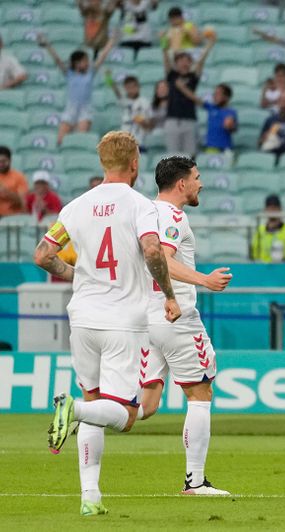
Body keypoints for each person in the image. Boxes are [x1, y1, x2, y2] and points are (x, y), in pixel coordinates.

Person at [36, 131, 180, 516]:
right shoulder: (140, 205)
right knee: (125, 415)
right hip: (123, 321)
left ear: (103, 163)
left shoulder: (75, 207)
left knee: (94, 401)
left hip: (82, 317)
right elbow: (152, 249)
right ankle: (72, 410)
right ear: (135, 163)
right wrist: (168, 294)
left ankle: (90, 497)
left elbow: (43, 255)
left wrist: (78, 275)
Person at [136, 155, 232, 495]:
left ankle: (82, 411)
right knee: (200, 394)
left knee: (144, 406)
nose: (200, 183)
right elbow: (162, 257)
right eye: (197, 177)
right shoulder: (174, 216)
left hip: (145, 320)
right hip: (176, 318)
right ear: (181, 184)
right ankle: (195, 481)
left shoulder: (144, 212)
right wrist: (204, 280)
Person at [41, 34, 116, 146]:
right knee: (60, 141)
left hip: (85, 111)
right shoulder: (69, 74)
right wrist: (47, 45)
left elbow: (102, 56)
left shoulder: (90, 74)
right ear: (77, 63)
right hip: (70, 110)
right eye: (85, 61)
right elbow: (57, 60)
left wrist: (111, 41)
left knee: (79, 141)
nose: (88, 63)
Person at [162, 35, 216, 155]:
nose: (184, 63)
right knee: (173, 157)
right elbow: (166, 59)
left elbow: (201, 61)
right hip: (172, 120)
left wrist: (209, 45)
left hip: (189, 120)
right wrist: (164, 44)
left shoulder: (192, 77)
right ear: (176, 63)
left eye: (187, 60)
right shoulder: (172, 75)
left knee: (189, 156)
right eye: (181, 60)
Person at [175, 83, 238, 153]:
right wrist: (182, 88)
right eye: (214, 94)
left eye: (218, 94)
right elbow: (195, 98)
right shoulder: (211, 107)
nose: (214, 96)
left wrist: (230, 126)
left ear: (226, 97)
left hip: (226, 148)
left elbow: (233, 129)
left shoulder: (231, 112)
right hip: (211, 147)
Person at [251, 195, 285, 262]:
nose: (272, 211)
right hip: (262, 269)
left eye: (275, 208)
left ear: (280, 209)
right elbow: (253, 255)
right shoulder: (259, 230)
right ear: (265, 210)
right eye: (270, 208)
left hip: (283, 269)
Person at [109, 75, 152, 147]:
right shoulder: (123, 101)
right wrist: (108, 76)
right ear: (125, 88)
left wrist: (143, 123)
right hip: (124, 143)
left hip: (139, 143)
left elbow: (150, 125)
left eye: (133, 87)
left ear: (138, 87)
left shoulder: (145, 102)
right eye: (128, 88)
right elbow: (116, 91)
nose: (131, 90)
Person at [0, 146, 27, 217]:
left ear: (10, 160)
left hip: (13, 217)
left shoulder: (18, 177)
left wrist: (7, 193)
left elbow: (22, 202)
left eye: (3, 161)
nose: (1, 164)